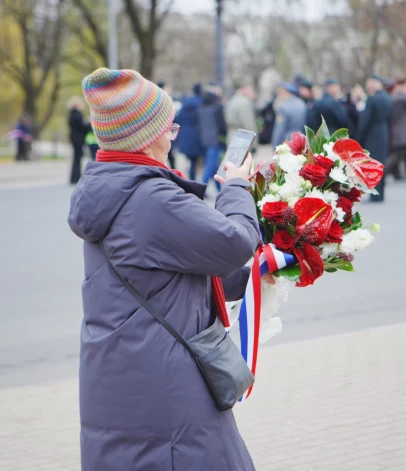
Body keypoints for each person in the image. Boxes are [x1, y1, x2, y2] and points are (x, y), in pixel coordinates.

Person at [68, 68, 259, 471]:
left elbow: (158, 271)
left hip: (121, 379)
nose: (172, 135)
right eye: (169, 127)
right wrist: (238, 188)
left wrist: (253, 278)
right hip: (165, 390)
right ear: (148, 135)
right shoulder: (152, 197)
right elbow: (235, 242)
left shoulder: (106, 187)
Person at [357, 74, 393, 202]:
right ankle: (381, 193)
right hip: (384, 132)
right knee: (381, 163)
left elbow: (365, 121)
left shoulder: (372, 99)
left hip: (373, 134)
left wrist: (359, 138)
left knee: (373, 165)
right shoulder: (388, 98)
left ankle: (375, 194)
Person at [198, 83, 227, 192]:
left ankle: (219, 189)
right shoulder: (217, 107)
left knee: (213, 165)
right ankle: (201, 187)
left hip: (205, 138)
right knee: (211, 165)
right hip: (215, 139)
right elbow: (221, 125)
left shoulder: (201, 108)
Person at [175, 83, 205, 180]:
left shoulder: (185, 104)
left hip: (185, 135)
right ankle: (193, 180)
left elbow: (179, 119)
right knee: (194, 161)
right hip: (196, 135)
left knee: (190, 159)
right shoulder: (201, 104)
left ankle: (191, 179)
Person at [271, 82, 307, 148]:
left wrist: (274, 146)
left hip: (287, 141)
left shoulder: (283, 107)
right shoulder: (302, 104)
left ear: (287, 93)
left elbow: (279, 129)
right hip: (302, 140)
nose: (280, 95)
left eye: (281, 93)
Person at [68, 96, 89, 184]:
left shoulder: (71, 114)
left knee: (76, 157)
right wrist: (89, 124)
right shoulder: (77, 114)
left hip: (74, 137)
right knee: (78, 157)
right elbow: (82, 127)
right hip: (78, 138)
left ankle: (74, 177)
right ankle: (76, 177)